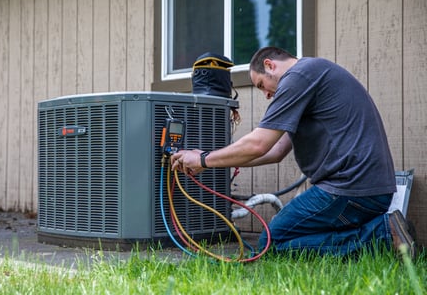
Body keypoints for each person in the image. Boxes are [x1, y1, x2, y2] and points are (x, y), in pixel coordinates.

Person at [170, 46, 416, 258]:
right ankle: (383, 231)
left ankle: (383, 235)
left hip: (350, 189)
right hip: (367, 188)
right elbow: (275, 151)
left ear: (270, 65)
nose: (266, 94)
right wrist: (220, 160)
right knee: (287, 236)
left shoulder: (299, 76)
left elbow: (259, 144)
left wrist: (203, 159)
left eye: (261, 85)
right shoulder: (311, 77)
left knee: (270, 242)